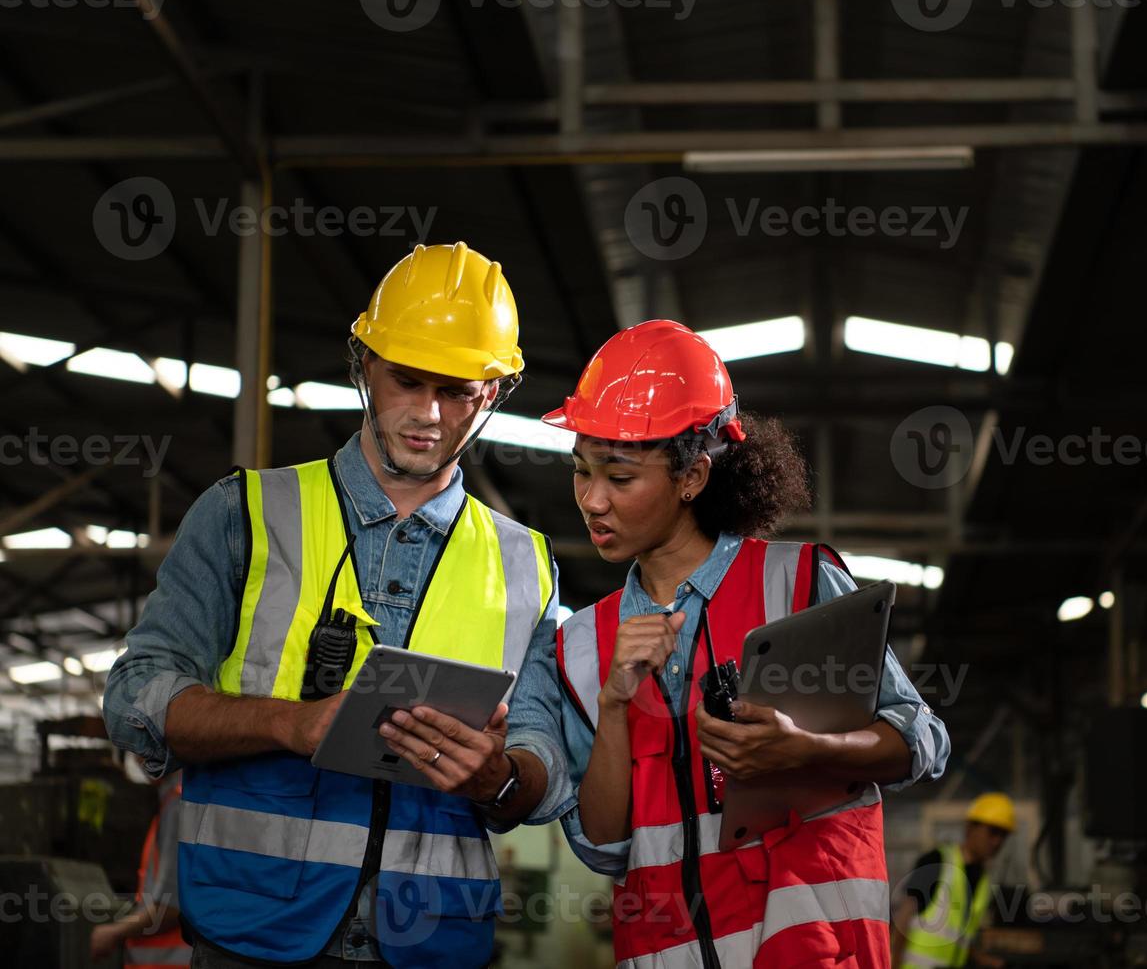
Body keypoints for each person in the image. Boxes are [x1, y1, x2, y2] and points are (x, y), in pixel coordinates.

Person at [103, 243, 564, 969]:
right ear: (362, 365)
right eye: (406, 382)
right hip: (250, 931)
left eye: (457, 393)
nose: (429, 415)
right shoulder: (244, 516)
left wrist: (500, 778)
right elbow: (134, 700)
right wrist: (289, 723)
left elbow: (547, 761)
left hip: (430, 941)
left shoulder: (525, 563)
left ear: (495, 394)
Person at [539, 319, 951, 967]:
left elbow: (923, 739)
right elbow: (603, 846)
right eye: (581, 471)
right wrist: (616, 708)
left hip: (808, 950)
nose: (592, 500)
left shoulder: (798, 583)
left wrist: (811, 749)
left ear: (693, 476)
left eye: (619, 479)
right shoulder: (583, 643)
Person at [893, 792, 1016, 968]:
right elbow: (902, 921)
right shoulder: (937, 861)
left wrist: (985, 961)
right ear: (970, 828)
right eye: (993, 832)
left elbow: (960, 938)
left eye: (1003, 835)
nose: (997, 842)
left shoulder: (983, 879)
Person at [90, 769, 191, 968]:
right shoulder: (174, 802)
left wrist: (114, 932)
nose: (138, 757)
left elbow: (170, 908)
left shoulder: (178, 805)